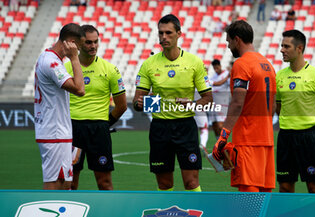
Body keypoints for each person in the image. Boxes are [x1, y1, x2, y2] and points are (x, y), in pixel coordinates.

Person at [133, 14, 213, 192]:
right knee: (164, 183)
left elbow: (208, 98)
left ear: (179, 34)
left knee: (191, 182)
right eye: (160, 33)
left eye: (168, 33)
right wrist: (144, 101)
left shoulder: (194, 62)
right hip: (160, 128)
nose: (164, 37)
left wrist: (191, 104)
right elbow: (138, 102)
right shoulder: (149, 64)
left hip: (185, 127)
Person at [212, 20, 276, 192]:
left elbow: (237, 103)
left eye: (229, 41)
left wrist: (223, 136)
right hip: (267, 141)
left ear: (237, 40)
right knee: (264, 200)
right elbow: (275, 104)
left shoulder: (242, 64)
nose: (228, 46)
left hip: (248, 141)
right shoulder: (268, 65)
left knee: (249, 200)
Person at [64, 25, 127, 190]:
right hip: (72, 129)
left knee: (105, 182)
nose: (93, 46)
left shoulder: (110, 69)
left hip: (99, 130)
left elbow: (121, 106)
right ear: (78, 43)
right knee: (70, 183)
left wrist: (105, 124)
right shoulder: (65, 68)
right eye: (88, 42)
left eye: (96, 42)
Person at [276, 29, 315, 193]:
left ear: (299, 48)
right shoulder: (279, 76)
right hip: (285, 137)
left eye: (286, 46)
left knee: (314, 186)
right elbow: (278, 107)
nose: (282, 50)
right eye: (282, 46)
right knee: (285, 186)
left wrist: (312, 125)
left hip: (309, 137)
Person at [34, 23, 85, 190]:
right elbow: (79, 89)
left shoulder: (53, 59)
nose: (79, 50)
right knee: (55, 183)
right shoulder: (51, 63)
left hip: (57, 130)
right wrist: (75, 58)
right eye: (78, 46)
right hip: (53, 131)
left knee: (65, 183)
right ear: (70, 42)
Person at [209, 59, 230, 140]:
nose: (216, 69)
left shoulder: (226, 74)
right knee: (214, 125)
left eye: (217, 67)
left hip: (222, 103)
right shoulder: (213, 77)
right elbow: (218, 84)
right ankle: (219, 144)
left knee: (220, 124)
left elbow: (230, 85)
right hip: (213, 103)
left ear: (220, 66)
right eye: (214, 68)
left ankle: (223, 143)